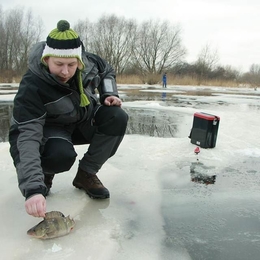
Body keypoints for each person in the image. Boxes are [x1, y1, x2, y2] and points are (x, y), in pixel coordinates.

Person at [8, 20, 128, 218]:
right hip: (52, 130)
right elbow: (25, 136)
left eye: (72, 65)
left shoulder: (91, 63)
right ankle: (45, 175)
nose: (65, 71)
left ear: (80, 62)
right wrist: (32, 188)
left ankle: (86, 174)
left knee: (117, 116)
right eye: (59, 64)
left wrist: (108, 94)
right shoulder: (32, 85)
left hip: (83, 120)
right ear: (46, 59)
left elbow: (106, 70)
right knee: (60, 156)